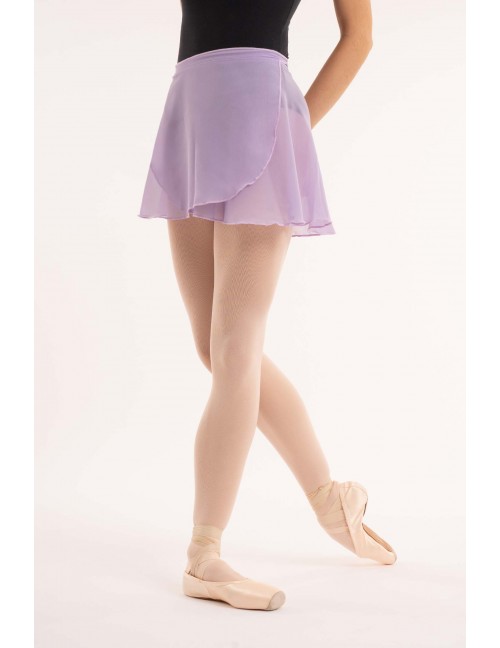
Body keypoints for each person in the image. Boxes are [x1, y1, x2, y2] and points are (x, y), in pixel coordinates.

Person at [137, 0, 396, 611]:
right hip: (191, 109)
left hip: (260, 107)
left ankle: (204, 554)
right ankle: (331, 499)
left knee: (234, 347)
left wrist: (293, 129)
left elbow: (359, 36)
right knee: (216, 349)